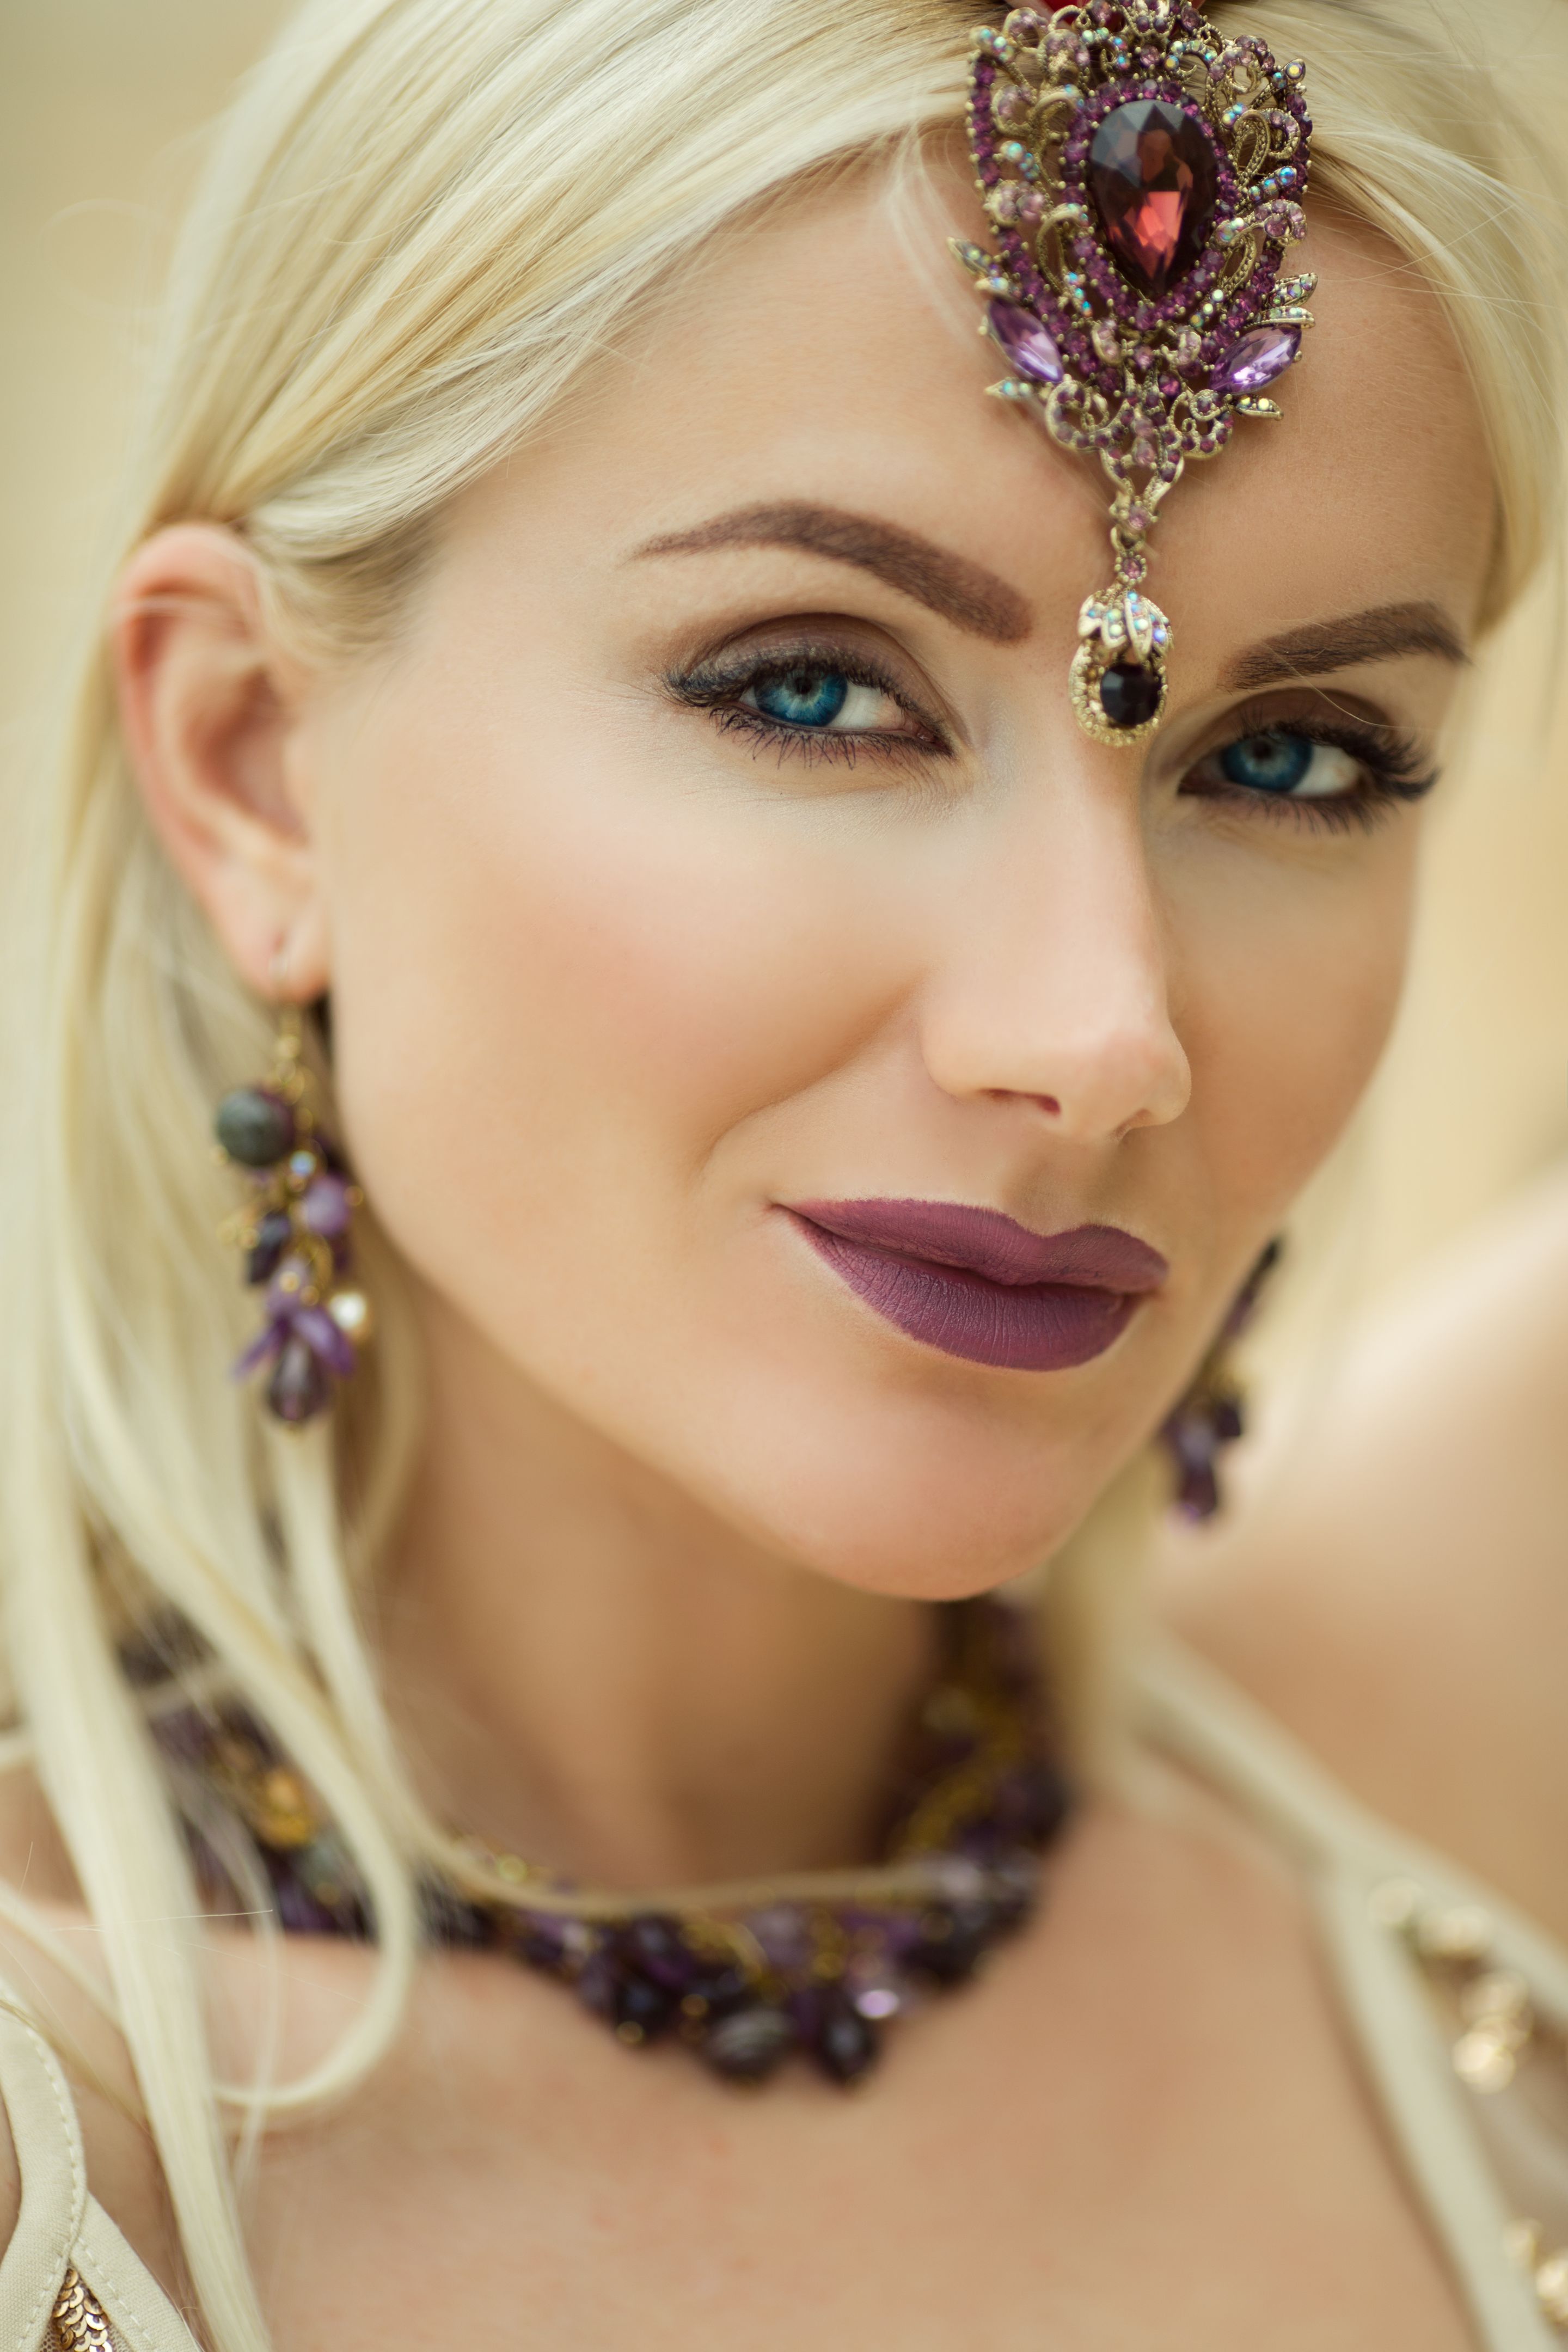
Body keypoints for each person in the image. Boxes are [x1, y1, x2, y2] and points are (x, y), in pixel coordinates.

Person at [0, 0, 1559, 2345]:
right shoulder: (81, 2136)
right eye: (814, 690)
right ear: (251, 768)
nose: (1098, 1030)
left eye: (1300, 757)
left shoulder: (1437, 1765)